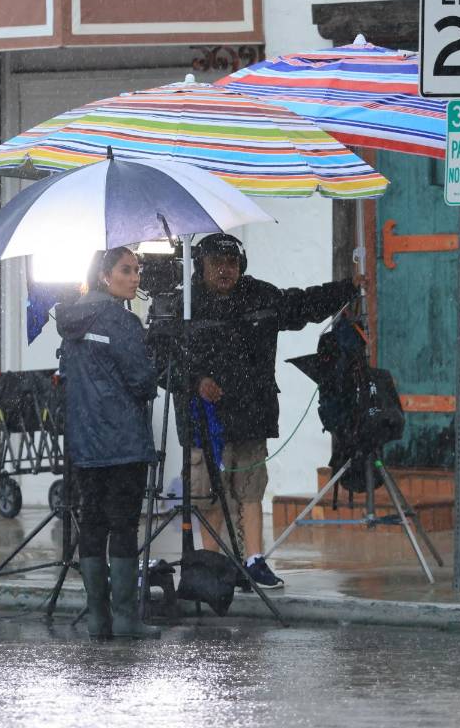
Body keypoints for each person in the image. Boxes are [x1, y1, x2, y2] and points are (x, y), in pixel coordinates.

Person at [182, 232, 363, 590]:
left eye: (231, 263)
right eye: (216, 263)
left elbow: (303, 304)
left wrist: (347, 288)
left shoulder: (259, 295)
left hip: (251, 415)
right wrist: (196, 381)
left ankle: (254, 560)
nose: (225, 270)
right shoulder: (186, 305)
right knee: (209, 495)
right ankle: (214, 563)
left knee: (250, 491)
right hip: (206, 421)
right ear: (199, 266)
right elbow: (165, 361)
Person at [57, 246, 160, 640]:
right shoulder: (122, 321)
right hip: (122, 442)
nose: (135, 278)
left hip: (86, 443)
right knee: (123, 527)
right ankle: (125, 618)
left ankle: (98, 619)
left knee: (93, 525)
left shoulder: (71, 320)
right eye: (126, 270)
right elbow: (142, 382)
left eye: (137, 270)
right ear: (105, 276)